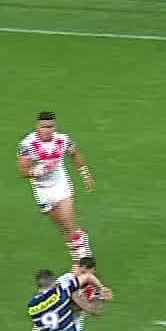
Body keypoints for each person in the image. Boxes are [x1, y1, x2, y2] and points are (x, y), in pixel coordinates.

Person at [18, 111, 98, 270]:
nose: (47, 130)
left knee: (70, 225)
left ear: (55, 126)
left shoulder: (63, 140)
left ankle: (83, 265)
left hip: (61, 187)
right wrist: (36, 171)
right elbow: (23, 170)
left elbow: (75, 155)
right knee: (64, 229)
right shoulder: (27, 144)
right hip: (42, 192)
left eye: (50, 127)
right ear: (38, 127)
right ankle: (80, 251)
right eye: (44, 127)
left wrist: (85, 174)